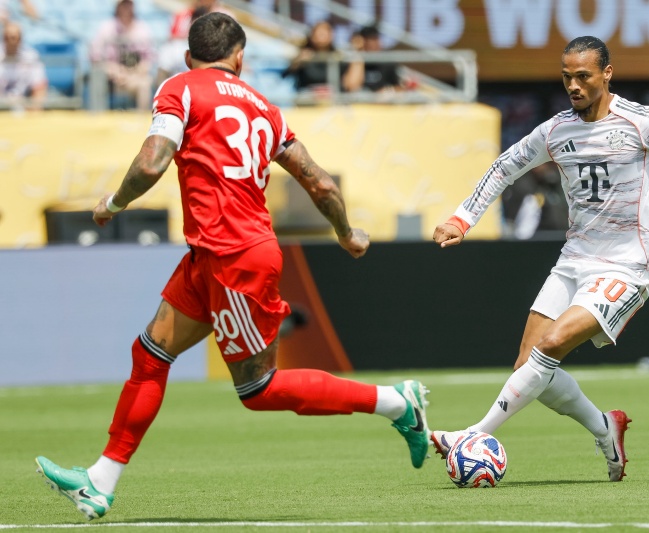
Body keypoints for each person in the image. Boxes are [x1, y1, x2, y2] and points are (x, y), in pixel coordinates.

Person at [35, 13, 430, 521]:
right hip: (213, 254)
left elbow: (154, 161)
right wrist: (346, 233)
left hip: (233, 257)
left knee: (258, 389)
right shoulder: (265, 107)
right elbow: (321, 183)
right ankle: (99, 481)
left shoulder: (179, 88)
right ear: (239, 58)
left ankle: (397, 403)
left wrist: (112, 204)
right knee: (150, 352)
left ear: (187, 56)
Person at [430, 36, 649, 482]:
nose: (574, 86)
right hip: (573, 261)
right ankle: (606, 428)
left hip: (627, 268)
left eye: (583, 76)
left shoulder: (641, 123)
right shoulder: (555, 130)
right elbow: (503, 168)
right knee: (528, 366)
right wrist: (460, 219)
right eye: (566, 77)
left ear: (607, 73)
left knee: (548, 349)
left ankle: (473, 434)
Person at [89, 0, 155, 111]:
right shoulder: (106, 27)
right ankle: (98, 119)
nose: (126, 8)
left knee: (145, 83)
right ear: (117, 7)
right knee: (97, 77)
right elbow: (95, 56)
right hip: (110, 77)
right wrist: (111, 69)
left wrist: (134, 73)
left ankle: (142, 121)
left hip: (134, 75)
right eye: (123, 5)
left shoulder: (142, 28)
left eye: (128, 4)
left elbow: (149, 58)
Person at [281, 20, 340, 94]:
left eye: (324, 33)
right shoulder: (304, 55)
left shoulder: (338, 57)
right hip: (307, 96)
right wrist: (298, 61)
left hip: (332, 97)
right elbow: (286, 75)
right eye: (319, 33)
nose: (321, 37)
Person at [0, 21, 47, 110]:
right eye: (7, 37)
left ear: (20, 38)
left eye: (14, 37)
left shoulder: (31, 57)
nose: (11, 41)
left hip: (23, 108)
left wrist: (34, 112)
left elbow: (39, 87)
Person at [342, 24, 401, 94]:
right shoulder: (352, 62)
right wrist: (358, 53)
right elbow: (351, 87)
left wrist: (386, 91)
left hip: (382, 103)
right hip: (358, 103)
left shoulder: (388, 62)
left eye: (375, 39)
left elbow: (398, 87)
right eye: (369, 39)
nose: (372, 44)